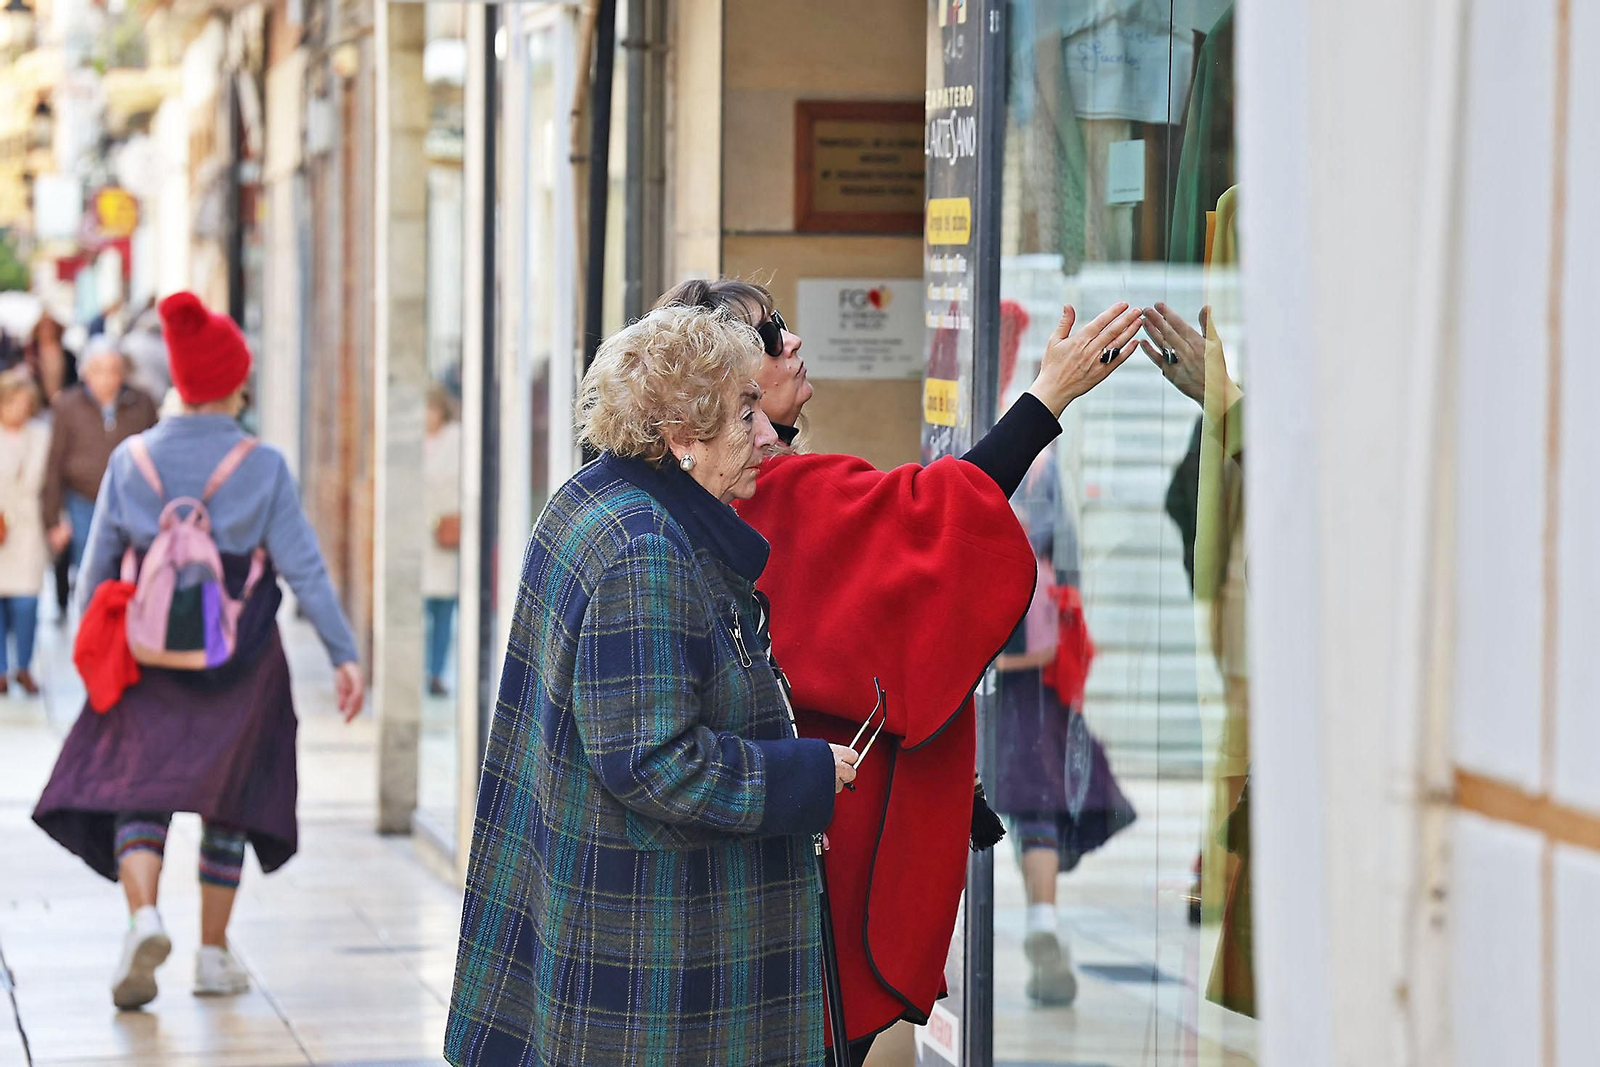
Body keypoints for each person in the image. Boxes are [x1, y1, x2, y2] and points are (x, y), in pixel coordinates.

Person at [657, 279, 1143, 1064]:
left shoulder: (719, 492)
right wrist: (1047, 398)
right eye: (772, 333)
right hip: (813, 842)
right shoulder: (765, 494)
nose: (794, 342)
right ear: (723, 380)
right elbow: (935, 519)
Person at [445, 305, 858, 1066]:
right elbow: (653, 760)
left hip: (612, 927)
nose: (768, 433)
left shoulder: (592, 500)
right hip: (654, 959)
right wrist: (805, 771)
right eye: (744, 414)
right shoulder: (644, 547)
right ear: (681, 436)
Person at [32, 291, 366, 1010]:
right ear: (234, 382)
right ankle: (213, 955)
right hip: (239, 661)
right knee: (229, 798)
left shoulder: (131, 459)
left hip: (147, 659)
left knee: (139, 789)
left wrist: (91, 657)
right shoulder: (263, 465)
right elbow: (303, 567)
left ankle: (144, 916)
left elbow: (95, 576)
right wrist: (344, 652)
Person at [42, 335, 159, 602]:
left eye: (114, 370)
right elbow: (54, 463)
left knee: (132, 570)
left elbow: (156, 454)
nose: (108, 379)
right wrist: (52, 520)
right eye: (100, 371)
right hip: (84, 499)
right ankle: (94, 629)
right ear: (87, 372)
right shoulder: (68, 406)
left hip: (131, 499)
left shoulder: (141, 403)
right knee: (91, 569)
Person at [0, 368, 49, 695]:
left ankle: (24, 666)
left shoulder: (42, 434)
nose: (17, 409)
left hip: (29, 527)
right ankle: (1, 670)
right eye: (10, 402)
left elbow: (40, 482)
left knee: (27, 603)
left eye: (22, 402)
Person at [423, 384, 462, 696]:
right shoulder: (416, 443)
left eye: (432, 408)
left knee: (444, 612)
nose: (428, 415)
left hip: (446, 534)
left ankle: (436, 672)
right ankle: (423, 670)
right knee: (422, 611)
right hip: (420, 538)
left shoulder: (456, 438)